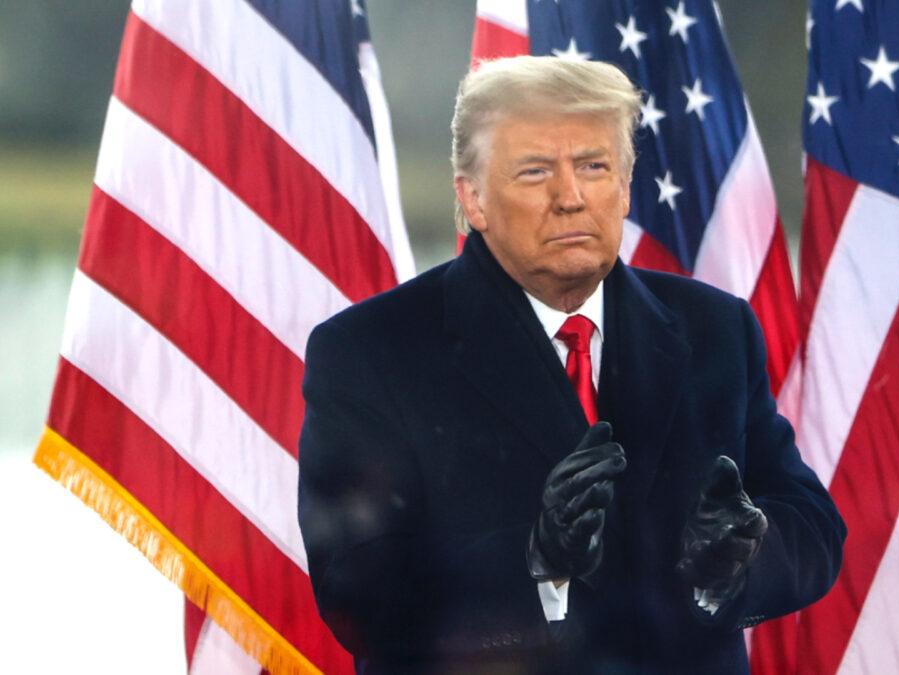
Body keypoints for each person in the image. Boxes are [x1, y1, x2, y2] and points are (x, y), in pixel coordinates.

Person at [298, 56, 845, 674]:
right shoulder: (371, 350)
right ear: (472, 198)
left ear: (625, 186)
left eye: (593, 166)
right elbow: (354, 589)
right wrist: (532, 561)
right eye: (535, 172)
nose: (570, 197)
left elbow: (815, 528)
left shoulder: (714, 329)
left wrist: (746, 552)